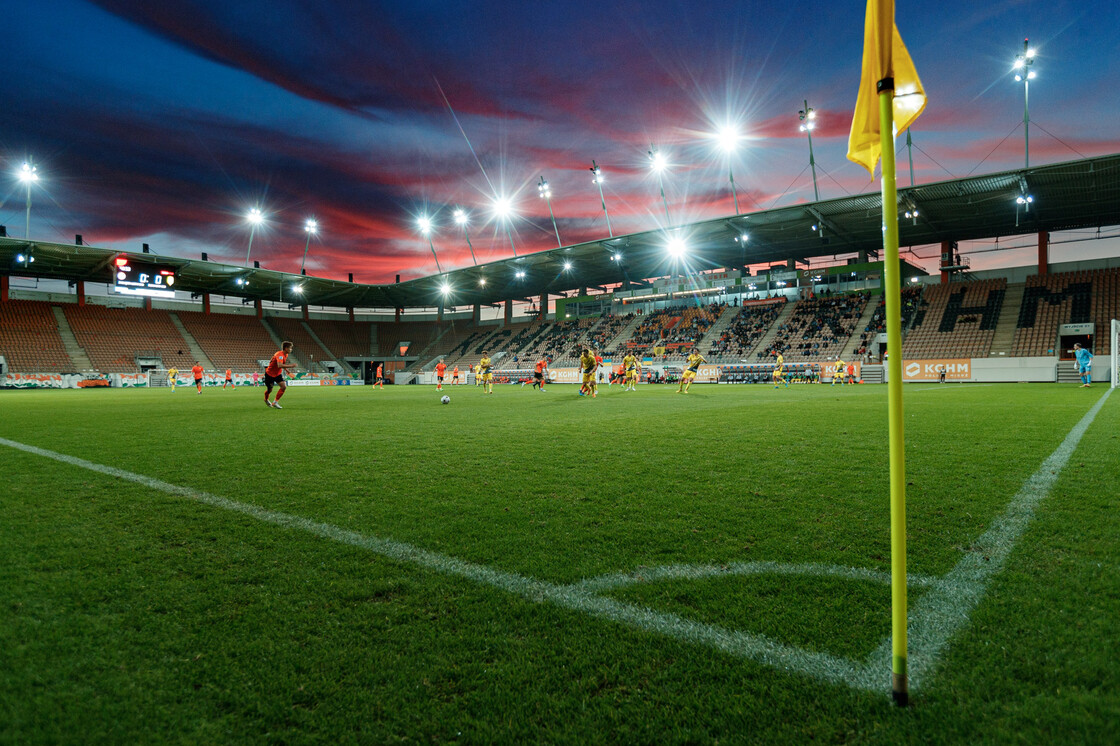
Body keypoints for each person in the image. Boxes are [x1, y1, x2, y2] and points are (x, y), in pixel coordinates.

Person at [264, 341, 296, 408]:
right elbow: (279, 365)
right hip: (269, 374)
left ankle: (275, 402)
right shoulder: (279, 354)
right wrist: (291, 366)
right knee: (270, 390)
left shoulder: (286, 355)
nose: (291, 349)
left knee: (283, 387)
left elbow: (282, 364)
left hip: (277, 374)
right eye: (290, 348)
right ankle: (266, 399)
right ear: (286, 348)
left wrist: (286, 370)